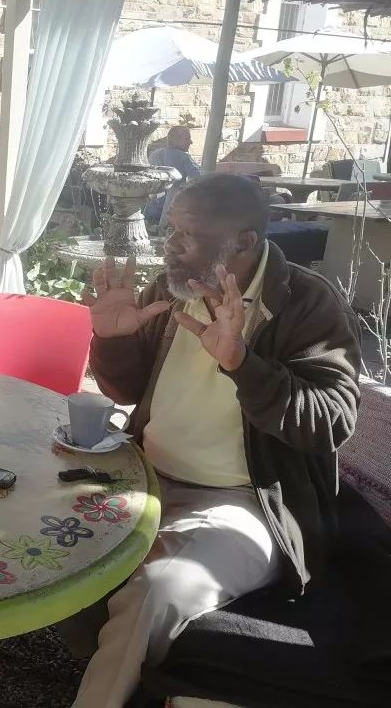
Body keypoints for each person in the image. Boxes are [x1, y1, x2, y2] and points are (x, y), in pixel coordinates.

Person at [74, 173, 362, 708]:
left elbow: (331, 422)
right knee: (35, 514)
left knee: (157, 593)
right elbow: (127, 390)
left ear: (243, 242)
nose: (169, 245)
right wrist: (112, 340)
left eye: (186, 235)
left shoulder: (307, 304)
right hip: (142, 476)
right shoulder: (172, 287)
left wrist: (242, 364)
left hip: (247, 502)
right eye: (169, 230)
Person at [147, 126, 201, 226]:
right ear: (175, 140)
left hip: (151, 206)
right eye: (187, 138)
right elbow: (198, 178)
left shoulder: (154, 155)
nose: (191, 142)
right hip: (172, 206)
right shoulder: (185, 157)